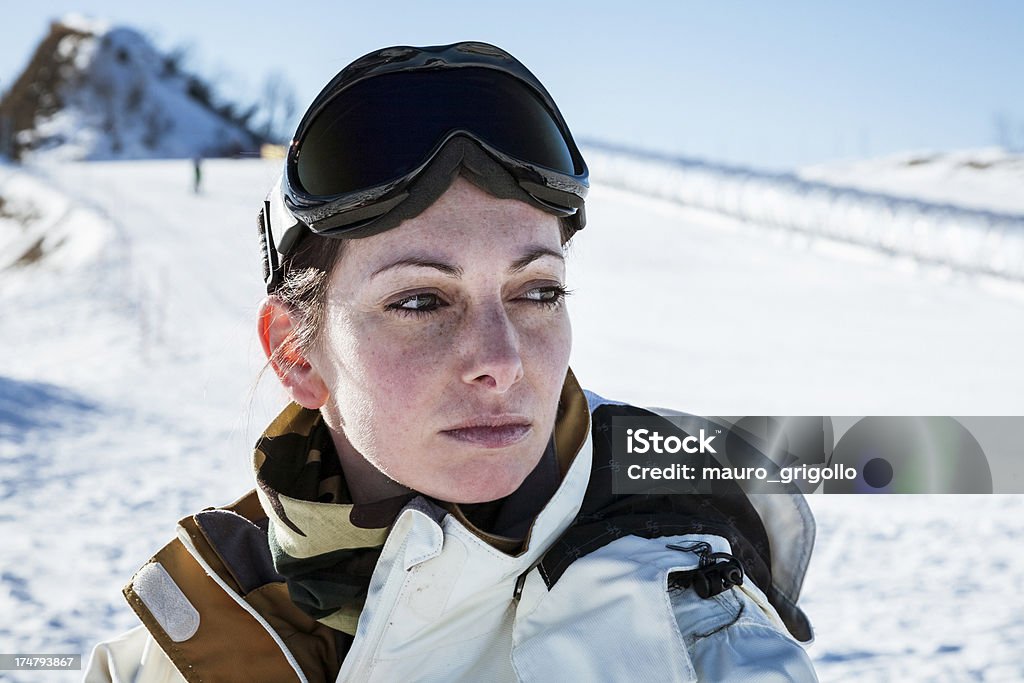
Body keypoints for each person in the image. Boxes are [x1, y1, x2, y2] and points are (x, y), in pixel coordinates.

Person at [86, 42, 818, 682]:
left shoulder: (689, 635)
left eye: (538, 291)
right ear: (294, 351)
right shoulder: (185, 637)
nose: (501, 361)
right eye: (420, 302)